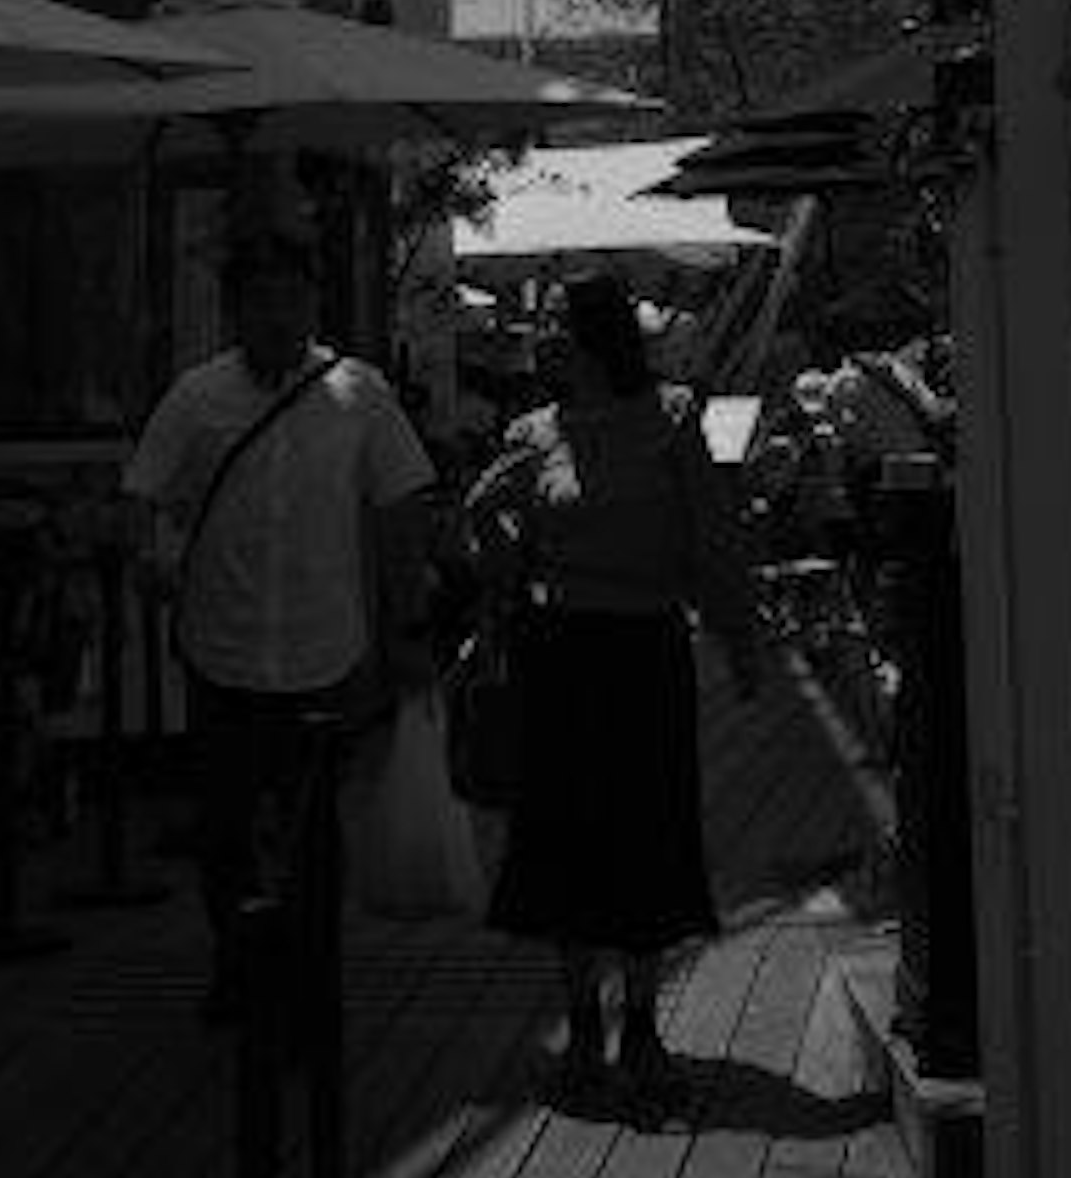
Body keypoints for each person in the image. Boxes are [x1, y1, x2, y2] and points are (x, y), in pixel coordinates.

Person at [461, 269, 765, 1119]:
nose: (544, 335)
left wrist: (741, 639)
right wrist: (489, 519)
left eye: (557, 322)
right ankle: (583, 1026)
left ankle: (639, 1023)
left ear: (592, 337)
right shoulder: (532, 431)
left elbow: (712, 534)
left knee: (645, 829)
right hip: (559, 655)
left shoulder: (669, 418)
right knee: (562, 835)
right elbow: (499, 553)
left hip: (643, 650)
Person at [124, 220, 437, 1032]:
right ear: (234, 310)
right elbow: (144, 495)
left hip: (321, 649)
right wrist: (153, 555)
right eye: (262, 301)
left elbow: (402, 500)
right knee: (224, 827)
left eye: (293, 300)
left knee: (312, 833)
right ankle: (237, 958)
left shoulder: (358, 392)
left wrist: (408, 621)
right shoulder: (198, 396)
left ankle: (305, 978)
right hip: (221, 648)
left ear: (313, 305)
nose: (278, 317)